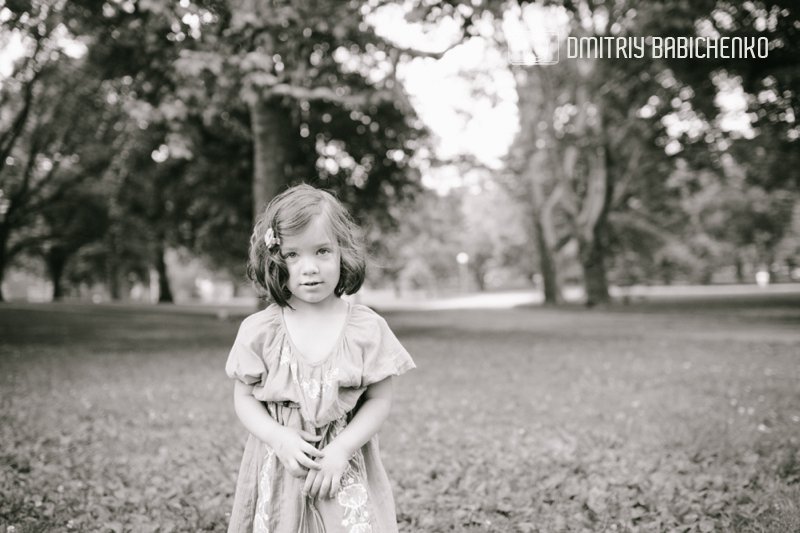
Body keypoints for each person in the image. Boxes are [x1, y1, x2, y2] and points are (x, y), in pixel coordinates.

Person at [225, 184, 416, 533]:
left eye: (322, 251)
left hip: (342, 471)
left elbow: (380, 398)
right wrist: (277, 437)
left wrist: (342, 449)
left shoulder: (366, 328)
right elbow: (243, 398)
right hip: (281, 466)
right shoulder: (259, 330)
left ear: (343, 253)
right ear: (274, 257)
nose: (309, 267)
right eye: (293, 254)